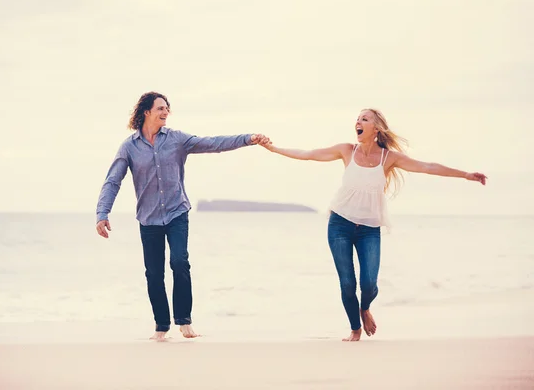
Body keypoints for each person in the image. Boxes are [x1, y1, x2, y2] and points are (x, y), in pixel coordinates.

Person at [260, 108, 487, 341]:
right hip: (340, 224)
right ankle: (355, 329)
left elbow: (428, 167)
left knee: (369, 285)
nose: (358, 122)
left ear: (376, 129)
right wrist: (272, 148)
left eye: (364, 119)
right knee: (348, 283)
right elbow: (307, 154)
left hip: (369, 229)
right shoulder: (346, 150)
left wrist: (466, 175)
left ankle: (365, 307)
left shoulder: (389, 158)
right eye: (357, 119)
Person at [95, 91, 269, 341]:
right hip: (148, 218)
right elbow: (113, 180)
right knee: (154, 273)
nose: (165, 112)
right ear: (146, 112)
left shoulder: (177, 139)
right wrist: (102, 213)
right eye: (160, 108)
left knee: (179, 262)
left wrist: (248, 139)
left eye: (167, 108)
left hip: (177, 212)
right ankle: (161, 326)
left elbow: (213, 143)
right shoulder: (129, 147)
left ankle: (185, 322)